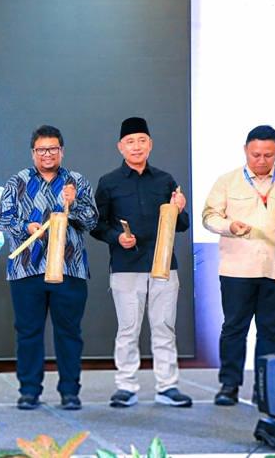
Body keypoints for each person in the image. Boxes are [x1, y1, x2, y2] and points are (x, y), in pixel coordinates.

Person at [202, 125, 275, 406]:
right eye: (256, 154)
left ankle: (266, 388)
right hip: (237, 269)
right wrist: (230, 226)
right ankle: (228, 385)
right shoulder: (227, 181)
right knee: (234, 328)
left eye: (268, 155)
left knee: (271, 330)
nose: (261, 161)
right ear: (245, 150)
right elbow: (209, 216)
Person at [0, 125, 98, 411]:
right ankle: (29, 391)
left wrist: (73, 203)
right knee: (28, 333)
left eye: (53, 149)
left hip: (70, 270)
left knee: (69, 333)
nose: (47, 154)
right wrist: (25, 227)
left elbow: (91, 222)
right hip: (27, 270)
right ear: (33, 153)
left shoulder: (76, 182)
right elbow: (1, 218)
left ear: (62, 151)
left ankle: (70, 392)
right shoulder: (18, 181)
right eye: (42, 150)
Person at [91, 117, 192, 408]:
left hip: (163, 265)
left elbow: (181, 225)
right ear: (120, 147)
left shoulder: (165, 179)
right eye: (130, 142)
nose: (136, 147)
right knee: (128, 329)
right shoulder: (109, 182)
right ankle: (126, 386)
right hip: (125, 265)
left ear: (150, 144)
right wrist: (116, 238)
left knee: (164, 327)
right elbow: (97, 225)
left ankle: (167, 386)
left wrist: (179, 209)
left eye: (142, 141)